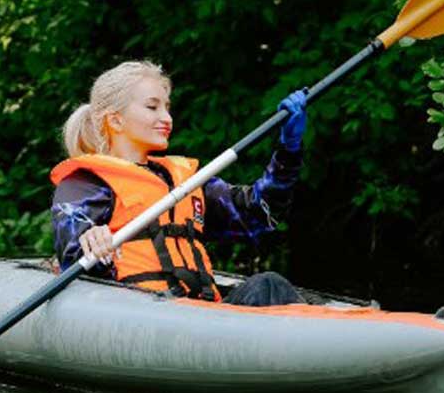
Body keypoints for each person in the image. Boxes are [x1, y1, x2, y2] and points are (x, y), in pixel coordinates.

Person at [49, 60, 307, 306]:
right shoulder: (86, 183)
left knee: (268, 285)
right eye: (152, 107)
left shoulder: (185, 181)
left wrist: (288, 151)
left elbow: (261, 213)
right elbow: (74, 253)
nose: (167, 118)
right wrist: (91, 239)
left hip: (199, 311)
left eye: (167, 107)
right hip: (137, 312)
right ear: (116, 120)